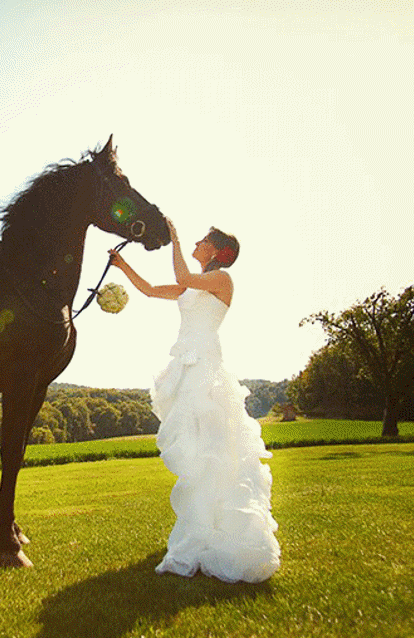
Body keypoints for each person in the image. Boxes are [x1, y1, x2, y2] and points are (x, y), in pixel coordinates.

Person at [108, 218, 279, 583]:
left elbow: (184, 278)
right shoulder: (193, 285)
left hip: (206, 370)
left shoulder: (221, 281)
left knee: (215, 451)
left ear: (217, 251)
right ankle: (199, 528)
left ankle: (219, 530)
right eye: (195, 240)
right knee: (196, 452)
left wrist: (174, 237)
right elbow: (154, 290)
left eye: (202, 241)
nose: (197, 243)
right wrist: (124, 267)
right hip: (185, 371)